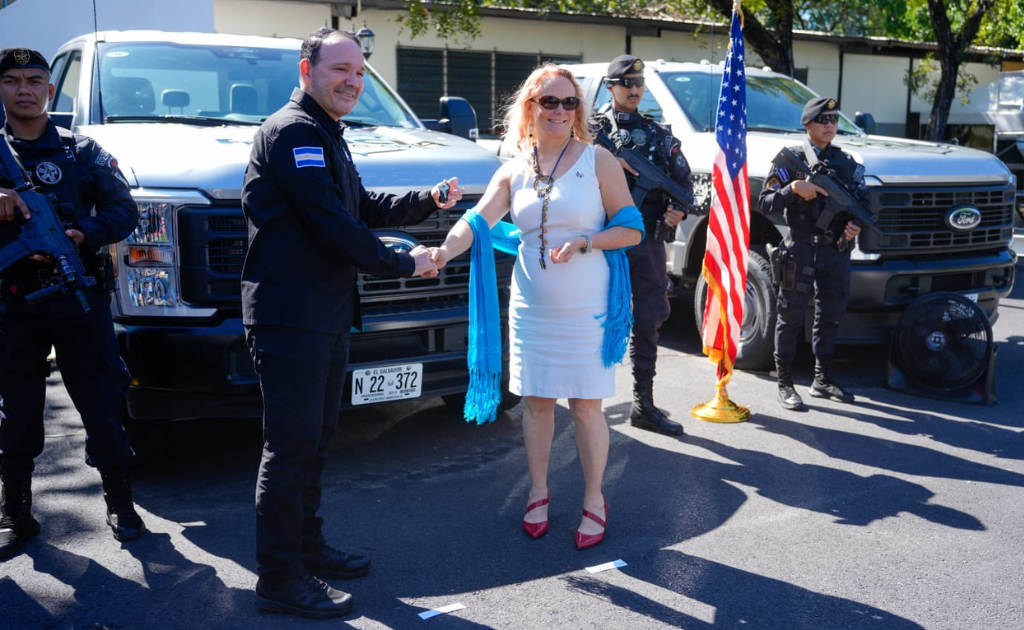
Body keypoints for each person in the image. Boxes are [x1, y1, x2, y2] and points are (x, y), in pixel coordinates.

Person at [241, 28, 456, 619]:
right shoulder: (292, 133)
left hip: (324, 315)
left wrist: (426, 199)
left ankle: (306, 549)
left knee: (314, 443)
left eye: (360, 72)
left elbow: (358, 207)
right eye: (341, 69)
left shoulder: (327, 133)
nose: (353, 81)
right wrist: (404, 263)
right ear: (306, 70)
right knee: (290, 450)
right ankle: (279, 578)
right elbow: (332, 226)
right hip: (291, 318)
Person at [430, 63, 642, 550]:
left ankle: (594, 499)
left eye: (569, 102)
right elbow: (477, 222)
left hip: (588, 308)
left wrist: (588, 241)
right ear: (531, 106)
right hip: (532, 309)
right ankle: (538, 491)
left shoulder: (599, 161)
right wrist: (441, 253)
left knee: (586, 407)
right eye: (550, 101)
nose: (560, 110)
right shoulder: (513, 169)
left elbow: (632, 229)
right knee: (538, 403)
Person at [0, 48, 145, 560]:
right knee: (16, 411)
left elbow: (124, 210)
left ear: (50, 89)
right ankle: (15, 513)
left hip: (78, 297)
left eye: (33, 80)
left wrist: (83, 233)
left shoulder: (81, 151)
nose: (24, 89)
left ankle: (121, 504)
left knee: (102, 403)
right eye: (12, 80)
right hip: (13, 303)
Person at [591, 55, 693, 436]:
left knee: (649, 319)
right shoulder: (588, 131)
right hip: (599, 240)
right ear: (610, 86)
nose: (634, 89)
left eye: (639, 83)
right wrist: (608, 161)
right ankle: (585, 405)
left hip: (646, 241)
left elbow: (684, 186)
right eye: (626, 83)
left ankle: (643, 404)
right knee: (590, 318)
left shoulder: (658, 134)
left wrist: (677, 212)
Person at [757, 96, 864, 411]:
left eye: (834, 119)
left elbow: (863, 204)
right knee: (789, 315)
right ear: (806, 124)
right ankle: (785, 382)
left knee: (830, 314)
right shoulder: (790, 160)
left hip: (835, 249)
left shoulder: (847, 162)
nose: (830, 125)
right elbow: (764, 202)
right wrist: (793, 189)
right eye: (823, 120)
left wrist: (855, 226)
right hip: (801, 246)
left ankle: (822, 379)